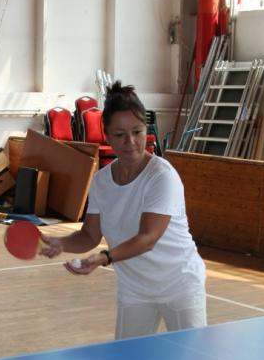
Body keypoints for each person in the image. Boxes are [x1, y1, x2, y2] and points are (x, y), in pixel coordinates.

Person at [40, 81, 207, 339]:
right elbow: (89, 236)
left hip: (180, 284)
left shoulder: (162, 177)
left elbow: (148, 238)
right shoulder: (101, 181)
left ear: (146, 131)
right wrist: (61, 243)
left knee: (193, 359)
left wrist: (104, 257)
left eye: (137, 132)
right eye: (119, 135)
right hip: (135, 288)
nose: (130, 142)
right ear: (106, 136)